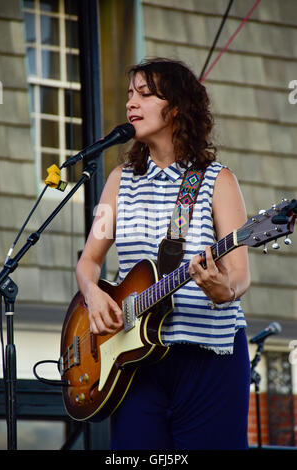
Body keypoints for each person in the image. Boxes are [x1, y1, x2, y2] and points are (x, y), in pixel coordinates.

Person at [75, 58, 251, 450]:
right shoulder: (118, 183)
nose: (130, 104)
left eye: (144, 94)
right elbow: (89, 260)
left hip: (209, 358)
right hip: (136, 360)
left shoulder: (216, 180)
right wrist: (92, 292)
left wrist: (225, 289)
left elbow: (239, 272)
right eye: (129, 95)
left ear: (175, 107)